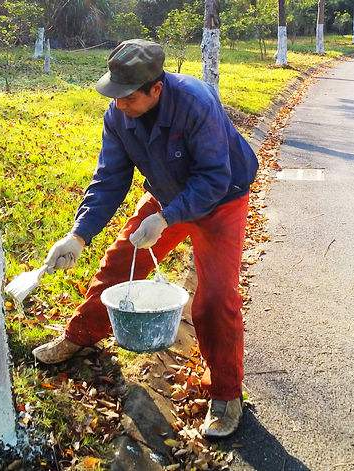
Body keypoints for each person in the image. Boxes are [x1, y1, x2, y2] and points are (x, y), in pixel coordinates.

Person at [32, 39, 258, 438]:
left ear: (156, 89)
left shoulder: (196, 102)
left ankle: (225, 394)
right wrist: (78, 235)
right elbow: (110, 179)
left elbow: (213, 178)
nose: (118, 104)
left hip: (222, 198)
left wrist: (167, 217)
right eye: (114, 94)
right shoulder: (118, 116)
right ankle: (80, 336)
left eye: (127, 97)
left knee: (215, 298)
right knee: (121, 263)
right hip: (168, 194)